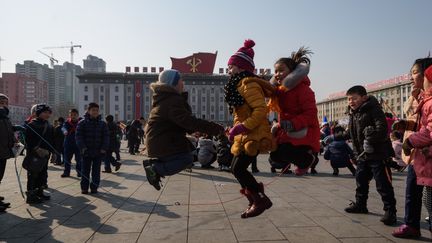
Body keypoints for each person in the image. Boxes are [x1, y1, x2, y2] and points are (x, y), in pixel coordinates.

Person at [327, 85, 397, 225]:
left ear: (364, 98)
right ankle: (361, 205)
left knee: (383, 184)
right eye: (348, 99)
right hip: (362, 155)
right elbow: (350, 133)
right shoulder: (354, 113)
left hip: (377, 154)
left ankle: (390, 211)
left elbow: (382, 130)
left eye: (354, 98)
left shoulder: (374, 109)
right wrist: (336, 137)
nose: (350, 102)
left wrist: (370, 138)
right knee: (361, 181)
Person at [143, 69, 224, 190]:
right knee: (186, 159)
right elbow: (187, 120)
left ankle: (155, 168)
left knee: (188, 155)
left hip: (161, 140)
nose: (183, 83)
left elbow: (178, 121)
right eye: (180, 80)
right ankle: (154, 168)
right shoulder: (172, 101)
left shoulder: (166, 99)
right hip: (162, 141)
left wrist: (192, 130)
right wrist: (215, 128)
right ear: (173, 83)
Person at [225, 40, 275, 218]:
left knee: (238, 169)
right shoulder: (238, 85)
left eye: (231, 67)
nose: (229, 71)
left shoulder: (248, 84)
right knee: (235, 168)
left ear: (240, 67)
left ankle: (260, 200)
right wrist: (235, 129)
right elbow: (243, 113)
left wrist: (242, 127)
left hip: (254, 134)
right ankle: (256, 199)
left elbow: (261, 110)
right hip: (246, 134)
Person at [393, 64, 432, 238]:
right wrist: (406, 125)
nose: (411, 77)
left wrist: (411, 141)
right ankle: (411, 224)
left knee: (427, 197)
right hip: (417, 154)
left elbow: (429, 129)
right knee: (413, 192)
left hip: (424, 153)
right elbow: (420, 124)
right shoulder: (419, 97)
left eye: (416, 73)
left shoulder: (427, 99)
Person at [268, 47, 320, 176]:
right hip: (287, 130)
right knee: (274, 156)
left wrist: (293, 123)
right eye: (275, 71)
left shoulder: (303, 90)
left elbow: (310, 114)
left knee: (285, 151)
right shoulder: (281, 91)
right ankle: (302, 161)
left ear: (291, 72)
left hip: (303, 130)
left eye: (281, 70)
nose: (277, 74)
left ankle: (307, 160)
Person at [76, 103, 109, 194]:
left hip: (98, 152)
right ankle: (84, 188)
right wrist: (82, 148)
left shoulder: (102, 124)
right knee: (85, 170)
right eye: (93, 110)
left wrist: (104, 148)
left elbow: (106, 137)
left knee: (96, 171)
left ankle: (94, 187)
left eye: (97, 110)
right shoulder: (82, 123)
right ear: (88, 111)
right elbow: (79, 137)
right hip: (86, 151)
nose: (95, 112)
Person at [24, 104, 54, 204]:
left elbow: (51, 141)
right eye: (44, 112)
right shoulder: (31, 125)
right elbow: (27, 140)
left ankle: (40, 192)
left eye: (48, 112)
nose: (47, 114)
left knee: (43, 173)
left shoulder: (49, 126)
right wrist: (36, 149)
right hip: (34, 154)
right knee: (33, 174)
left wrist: (52, 152)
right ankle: (31, 195)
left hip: (45, 154)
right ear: (38, 113)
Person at [0, 94, 15, 211]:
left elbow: (7, 131)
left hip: (3, 151)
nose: (4, 105)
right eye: (2, 102)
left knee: (0, 176)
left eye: (6, 102)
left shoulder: (5, 117)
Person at [61, 109, 82, 178]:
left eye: (75, 115)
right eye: (71, 115)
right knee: (67, 159)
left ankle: (80, 172)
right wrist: (65, 131)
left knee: (78, 159)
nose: (73, 116)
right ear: (69, 115)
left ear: (77, 115)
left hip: (78, 144)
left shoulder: (81, 122)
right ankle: (66, 172)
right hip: (68, 144)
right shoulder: (67, 122)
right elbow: (63, 128)